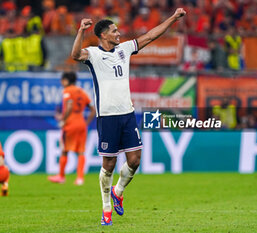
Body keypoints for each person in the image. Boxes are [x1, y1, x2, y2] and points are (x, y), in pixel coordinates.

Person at [70, 8, 186, 226]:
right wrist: (80, 32)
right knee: (109, 164)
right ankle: (106, 210)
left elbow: (151, 36)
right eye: (114, 31)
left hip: (127, 114)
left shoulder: (124, 49)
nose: (118, 33)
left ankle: (118, 191)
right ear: (103, 35)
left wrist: (172, 18)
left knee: (134, 160)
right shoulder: (94, 54)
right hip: (107, 117)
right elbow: (75, 55)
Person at [48, 72, 95, 185]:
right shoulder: (82, 92)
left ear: (65, 80)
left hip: (70, 124)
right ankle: (80, 178)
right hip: (81, 124)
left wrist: (63, 119)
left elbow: (69, 105)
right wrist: (86, 123)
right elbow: (93, 110)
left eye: (62, 80)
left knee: (64, 150)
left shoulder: (67, 91)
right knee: (81, 152)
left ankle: (61, 176)